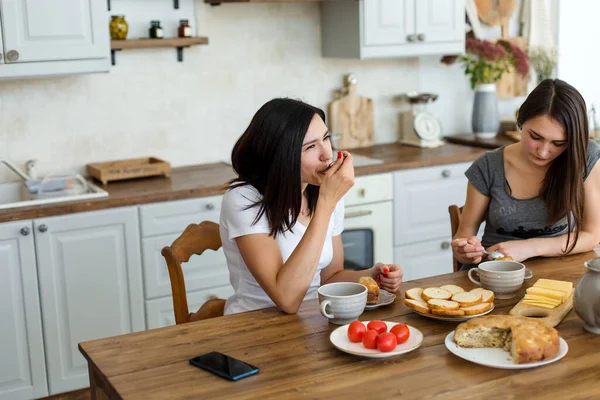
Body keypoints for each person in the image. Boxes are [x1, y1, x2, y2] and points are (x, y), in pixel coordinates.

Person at [219, 98, 402, 315]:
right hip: (254, 325)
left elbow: (330, 277)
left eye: (326, 138)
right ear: (281, 155)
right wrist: (327, 203)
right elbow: (286, 299)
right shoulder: (243, 199)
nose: (327, 154)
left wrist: (371, 276)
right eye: (311, 147)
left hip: (314, 318)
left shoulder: (322, 192)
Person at [452, 79, 600, 268]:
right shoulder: (488, 166)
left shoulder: (584, 157)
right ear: (521, 122)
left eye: (558, 143)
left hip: (559, 275)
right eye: (535, 137)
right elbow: (463, 240)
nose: (543, 152)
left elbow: (592, 236)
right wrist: (466, 251)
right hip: (493, 275)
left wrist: (530, 247)